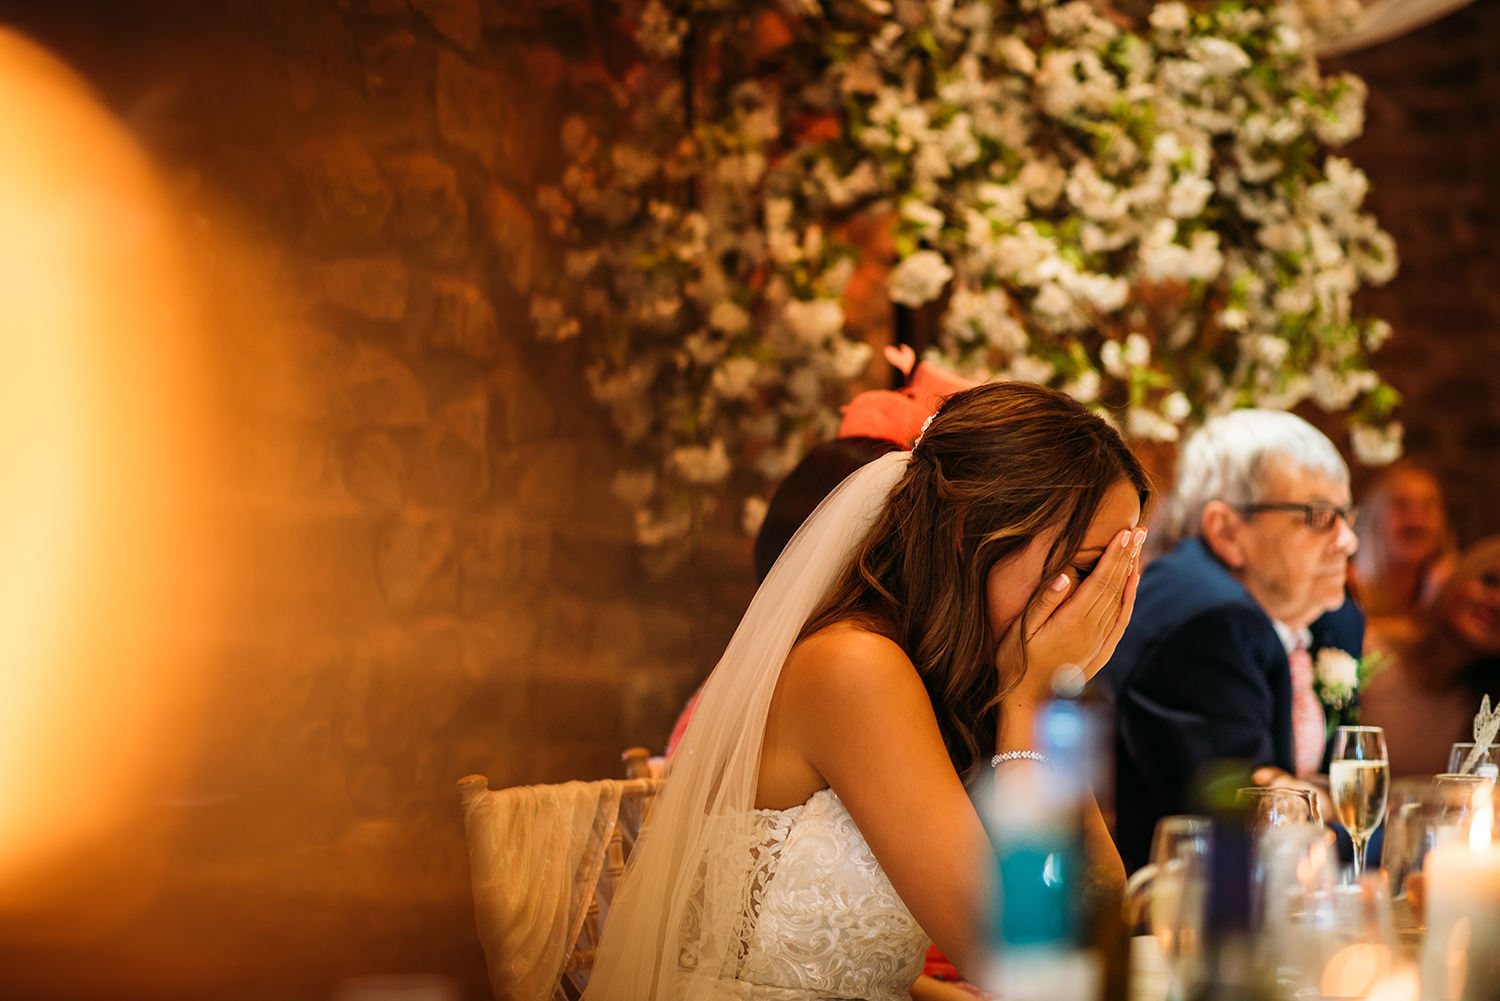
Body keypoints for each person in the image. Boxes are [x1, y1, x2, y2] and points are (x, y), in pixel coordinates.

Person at [588, 382, 1150, 999]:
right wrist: (1032, 702)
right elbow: (1023, 960)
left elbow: (1100, 927)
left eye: (1123, 571)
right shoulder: (852, 668)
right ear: (970, 533)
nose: (1101, 603)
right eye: (1088, 566)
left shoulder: (951, 675)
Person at [1090, 409, 1364, 873]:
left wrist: (1308, 796)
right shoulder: (1207, 622)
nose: (1348, 541)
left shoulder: (1329, 617)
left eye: (1346, 516)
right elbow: (1258, 829)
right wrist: (1353, 814)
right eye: (1320, 516)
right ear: (1227, 531)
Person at [1362, 536, 1500, 777]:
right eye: (1490, 581)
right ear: (1462, 575)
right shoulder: (1369, 648)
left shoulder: (1487, 714)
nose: (1496, 602)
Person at [1350, 459, 1457, 655]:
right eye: (1401, 505)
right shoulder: (1344, 585)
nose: (1416, 519)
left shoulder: (1449, 586)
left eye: (1428, 506)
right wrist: (1428, 619)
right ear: (1375, 519)